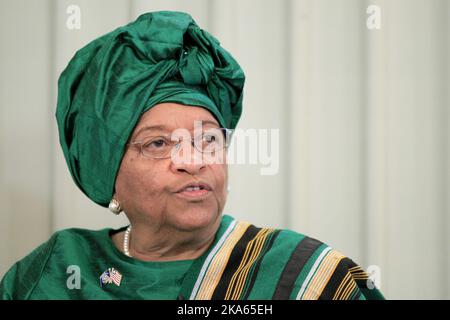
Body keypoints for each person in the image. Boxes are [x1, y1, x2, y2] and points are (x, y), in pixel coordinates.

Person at [0, 11, 384, 300]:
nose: (193, 160)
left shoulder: (304, 277)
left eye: (207, 140)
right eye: (158, 144)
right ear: (107, 174)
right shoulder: (58, 272)